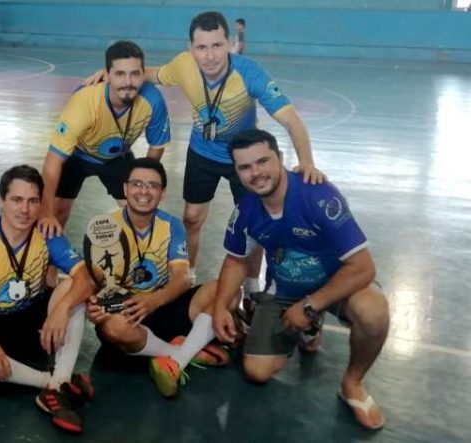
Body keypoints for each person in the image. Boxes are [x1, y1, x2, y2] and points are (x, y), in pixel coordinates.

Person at [83, 11, 325, 300]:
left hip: (243, 159)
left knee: (256, 223)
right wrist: (110, 76)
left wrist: (307, 162)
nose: (209, 56)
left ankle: (251, 288)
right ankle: (187, 276)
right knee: (192, 217)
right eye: (201, 47)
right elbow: (149, 73)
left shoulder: (249, 73)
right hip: (202, 153)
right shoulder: (184, 65)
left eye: (217, 46)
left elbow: (291, 119)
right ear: (190, 48)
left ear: (229, 44)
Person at [213, 129, 389, 430]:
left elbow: (363, 267)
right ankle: (310, 326)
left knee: (373, 312)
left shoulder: (318, 195)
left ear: (280, 158)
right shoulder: (245, 210)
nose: (256, 173)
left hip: (336, 284)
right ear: (237, 172)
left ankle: (352, 384)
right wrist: (219, 307)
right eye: (245, 167)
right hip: (284, 289)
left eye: (263, 161)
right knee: (256, 371)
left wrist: (309, 305)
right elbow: (235, 260)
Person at [0, 165, 95, 433]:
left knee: (74, 287)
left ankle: (59, 381)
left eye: (33, 201)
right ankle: (52, 383)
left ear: (40, 205)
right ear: (1, 201)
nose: (25, 209)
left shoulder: (47, 234)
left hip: (33, 326)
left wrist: (62, 310)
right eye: (17, 200)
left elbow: (86, 278)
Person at [86, 157, 230, 398]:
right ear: (125, 189)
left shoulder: (172, 225)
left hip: (164, 304)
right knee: (113, 327)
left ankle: (172, 358)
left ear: (162, 193)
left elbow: (182, 278)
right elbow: (93, 283)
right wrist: (93, 306)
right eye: (137, 184)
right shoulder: (105, 229)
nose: (144, 191)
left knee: (226, 289)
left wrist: (153, 301)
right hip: (129, 314)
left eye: (152, 185)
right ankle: (183, 353)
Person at [39, 41, 171, 239]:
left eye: (135, 74)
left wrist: (143, 182)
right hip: (77, 154)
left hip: (118, 157)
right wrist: (45, 212)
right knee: (55, 213)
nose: (128, 81)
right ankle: (50, 259)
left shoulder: (153, 101)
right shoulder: (84, 101)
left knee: (138, 215)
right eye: (120, 74)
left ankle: (136, 257)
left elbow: (156, 147)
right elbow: (53, 160)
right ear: (107, 75)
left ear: (144, 74)